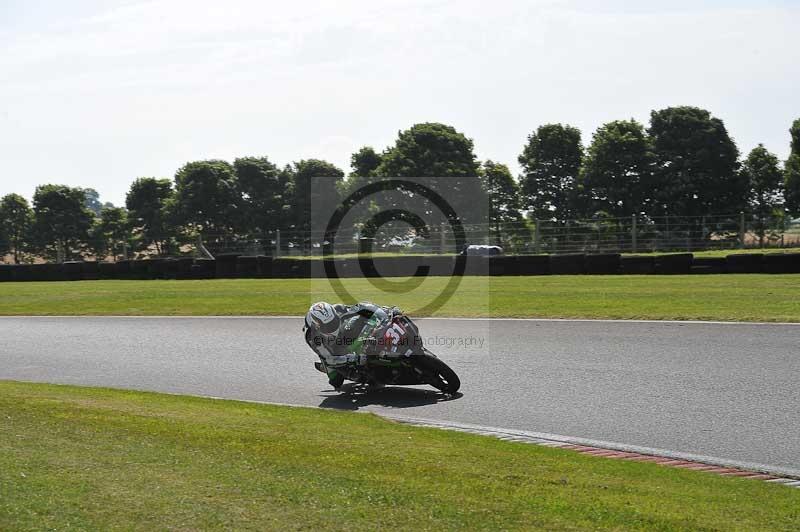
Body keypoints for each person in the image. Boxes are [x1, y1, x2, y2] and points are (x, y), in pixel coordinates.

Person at [303, 301, 401, 389]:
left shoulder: (338, 309)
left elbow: (361, 308)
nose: (333, 326)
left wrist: (385, 312)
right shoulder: (313, 338)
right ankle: (325, 367)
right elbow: (329, 358)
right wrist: (353, 358)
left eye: (334, 321)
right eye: (328, 326)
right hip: (330, 352)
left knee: (358, 322)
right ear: (318, 327)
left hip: (343, 337)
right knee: (336, 381)